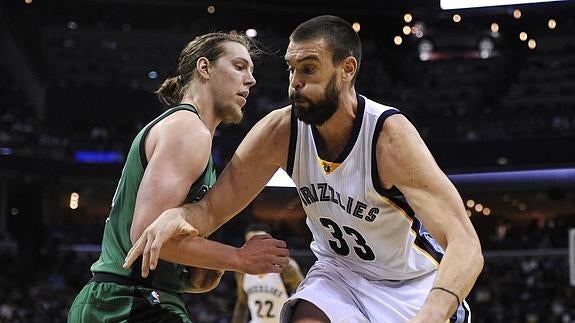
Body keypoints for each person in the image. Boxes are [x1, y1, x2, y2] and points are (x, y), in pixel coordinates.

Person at [124, 15, 484, 323]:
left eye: (308, 69)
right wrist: (181, 216)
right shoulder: (280, 132)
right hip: (339, 274)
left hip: (408, 284)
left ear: (347, 70)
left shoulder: (389, 138)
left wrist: (433, 313)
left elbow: (466, 245)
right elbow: (212, 209)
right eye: (291, 69)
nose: (295, 81)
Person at [68, 32, 290, 323]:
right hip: (129, 302)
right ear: (204, 68)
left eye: (251, 71)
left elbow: (158, 247)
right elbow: (147, 234)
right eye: (239, 66)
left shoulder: (188, 132)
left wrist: (188, 277)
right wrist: (239, 258)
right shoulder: (188, 130)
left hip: (129, 299)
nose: (251, 80)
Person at [232, 223, 304, 323]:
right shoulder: (242, 271)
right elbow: (242, 304)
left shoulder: (286, 267)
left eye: (261, 241)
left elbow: (302, 298)